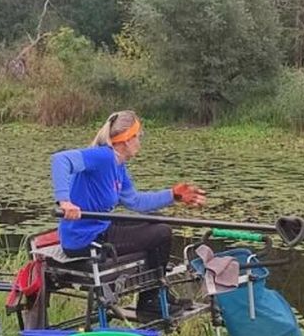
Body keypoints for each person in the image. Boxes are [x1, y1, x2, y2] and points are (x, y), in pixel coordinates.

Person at [51, 110, 206, 318]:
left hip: (100, 228)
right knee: (162, 233)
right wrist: (64, 201)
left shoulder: (119, 166)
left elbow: (136, 202)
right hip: (84, 239)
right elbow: (60, 160)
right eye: (138, 136)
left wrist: (173, 195)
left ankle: (157, 294)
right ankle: (150, 301)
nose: (140, 141)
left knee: (155, 223)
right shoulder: (104, 156)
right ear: (126, 139)